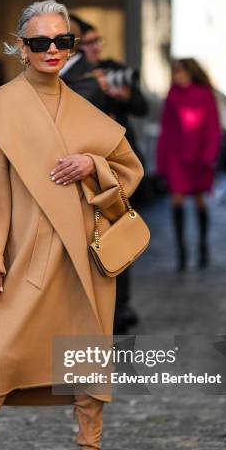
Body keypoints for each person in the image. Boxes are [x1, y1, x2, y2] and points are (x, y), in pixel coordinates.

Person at [0, 0, 144, 450]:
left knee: (86, 365)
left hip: (83, 260)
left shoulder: (89, 113)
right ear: (20, 48)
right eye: (39, 42)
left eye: (63, 41)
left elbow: (129, 174)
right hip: (23, 257)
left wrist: (94, 164)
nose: (52, 50)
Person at [77, 17, 148, 332]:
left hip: (118, 165)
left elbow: (142, 106)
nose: (96, 48)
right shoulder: (73, 76)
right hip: (86, 165)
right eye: (89, 43)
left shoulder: (112, 68)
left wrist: (120, 95)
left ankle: (121, 306)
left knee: (120, 232)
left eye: (98, 41)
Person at [156, 58, 221, 271]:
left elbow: (213, 126)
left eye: (181, 72)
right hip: (176, 156)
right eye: (175, 73)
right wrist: (161, 161)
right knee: (177, 200)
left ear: (190, 73)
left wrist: (210, 154)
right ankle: (181, 251)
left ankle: (203, 246)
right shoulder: (172, 96)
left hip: (199, 156)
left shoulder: (204, 94)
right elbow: (165, 129)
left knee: (200, 199)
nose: (178, 76)